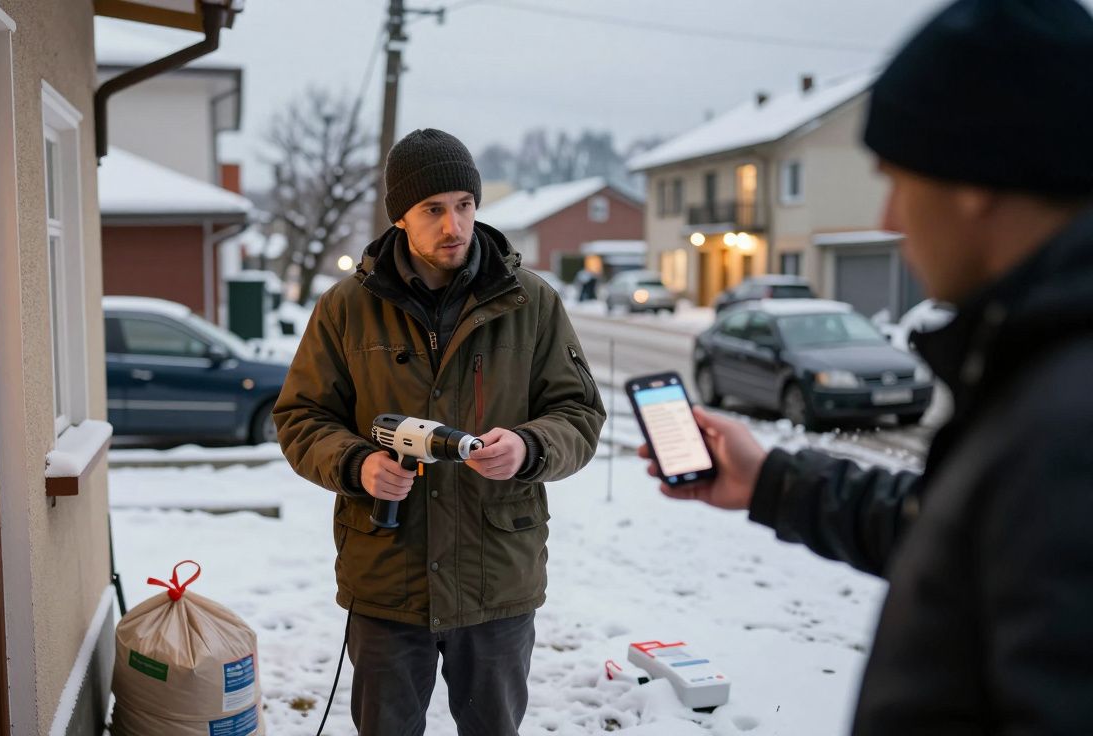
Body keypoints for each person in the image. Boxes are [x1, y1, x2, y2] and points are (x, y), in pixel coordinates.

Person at [640, 1, 1093, 733]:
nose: (888, 219)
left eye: (897, 179)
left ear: (975, 178)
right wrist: (774, 481)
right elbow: (952, 537)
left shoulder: (1069, 423)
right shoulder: (1043, 365)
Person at [274, 128, 605, 735]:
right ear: (400, 216)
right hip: (387, 576)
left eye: (464, 205)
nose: (454, 226)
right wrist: (356, 464)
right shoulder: (346, 308)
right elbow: (300, 417)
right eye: (433, 210)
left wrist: (531, 447)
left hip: (495, 575)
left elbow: (579, 415)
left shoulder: (531, 303)